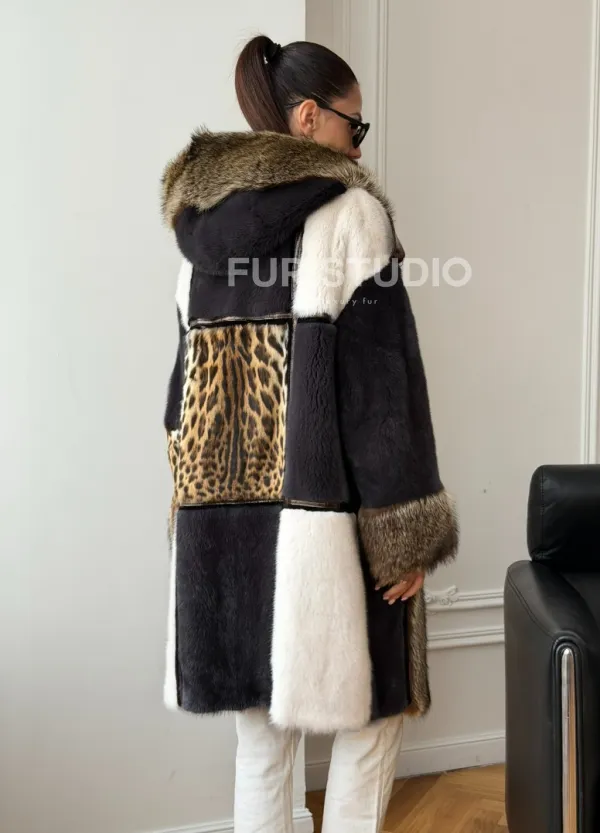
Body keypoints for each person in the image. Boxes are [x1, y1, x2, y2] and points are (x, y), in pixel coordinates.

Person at [161, 34, 458, 833]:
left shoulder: (201, 237)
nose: (359, 144)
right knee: (371, 722)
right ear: (307, 117)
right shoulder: (351, 216)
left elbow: (180, 401)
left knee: (260, 745)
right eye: (353, 125)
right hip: (332, 525)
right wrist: (405, 534)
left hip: (224, 538)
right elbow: (383, 392)